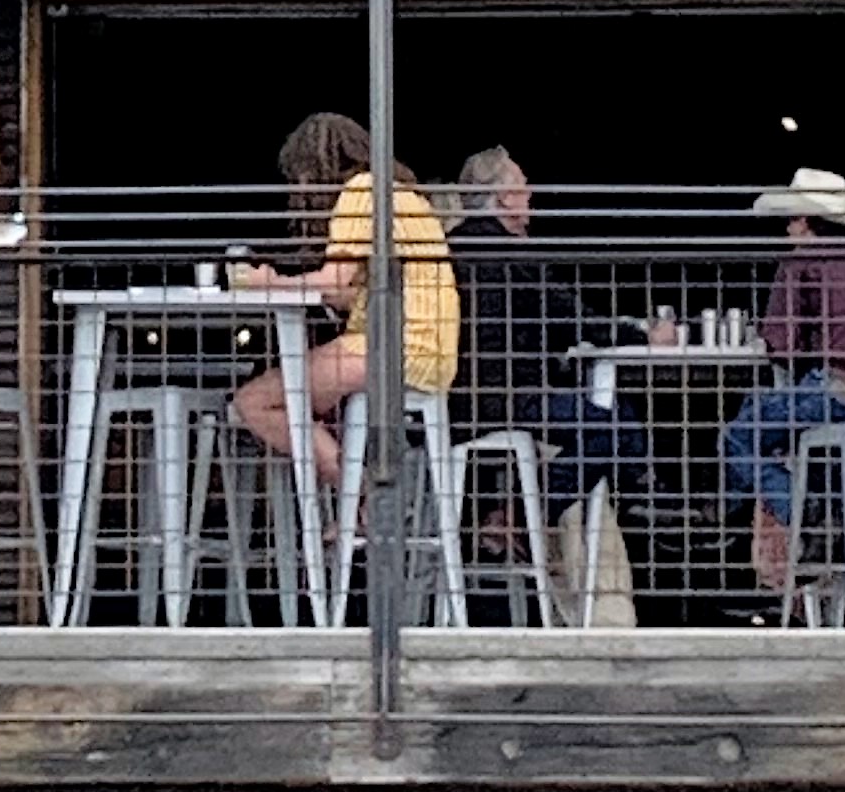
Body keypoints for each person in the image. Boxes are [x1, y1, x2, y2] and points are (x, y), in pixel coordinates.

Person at [445, 144, 644, 578]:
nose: (530, 192)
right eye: (521, 185)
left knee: (618, 419)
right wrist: (643, 334)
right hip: (508, 397)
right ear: (502, 199)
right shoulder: (511, 253)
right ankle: (518, 516)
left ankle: (523, 513)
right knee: (616, 431)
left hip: (453, 400)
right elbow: (571, 317)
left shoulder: (449, 248)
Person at [230, 111, 459, 487]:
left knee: (256, 400)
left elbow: (334, 282)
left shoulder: (360, 193)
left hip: (388, 346)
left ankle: (362, 500)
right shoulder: (405, 196)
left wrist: (268, 281)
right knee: (317, 404)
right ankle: (353, 510)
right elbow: (350, 292)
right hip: (432, 352)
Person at [721, 166, 845, 596]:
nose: (786, 229)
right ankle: (829, 524)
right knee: (799, 432)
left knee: (740, 434)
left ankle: (800, 516)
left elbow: (780, 346)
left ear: (806, 222)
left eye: (790, 219)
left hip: (835, 389)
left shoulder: (804, 258)